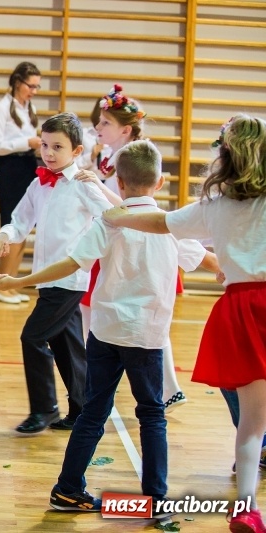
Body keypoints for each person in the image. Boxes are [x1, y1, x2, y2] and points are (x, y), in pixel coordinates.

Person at [0, 139, 216, 514]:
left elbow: (70, 263)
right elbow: (205, 258)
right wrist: (228, 270)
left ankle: (67, 489)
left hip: (106, 332)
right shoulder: (171, 225)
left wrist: (19, 281)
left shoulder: (110, 221)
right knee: (151, 415)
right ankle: (156, 498)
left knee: (94, 412)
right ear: (160, 182)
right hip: (145, 336)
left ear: (120, 184)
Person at [103, 114, 266, 533]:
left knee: (251, 424)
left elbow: (161, 222)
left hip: (241, 308)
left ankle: (246, 507)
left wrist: (118, 215)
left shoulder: (217, 205)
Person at [0, 112, 113, 433]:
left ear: (76, 151)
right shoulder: (38, 183)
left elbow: (111, 218)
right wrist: (4, 234)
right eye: (44, 145)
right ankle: (83, 408)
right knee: (66, 345)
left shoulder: (84, 184)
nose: (48, 152)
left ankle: (44, 408)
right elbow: (19, 221)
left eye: (57, 147)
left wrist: (90, 251)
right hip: (46, 278)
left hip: (69, 278)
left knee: (32, 337)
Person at [77, 85, 188, 414]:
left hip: (137, 241)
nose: (98, 127)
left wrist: (97, 186)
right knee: (100, 310)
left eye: (106, 123)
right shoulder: (109, 155)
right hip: (121, 238)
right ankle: (108, 383)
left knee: (145, 317)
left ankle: (164, 388)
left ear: (125, 129)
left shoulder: (134, 155)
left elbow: (129, 205)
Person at [0, 61, 41, 304]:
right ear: (18, 82)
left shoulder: (30, 108)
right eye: (31, 86)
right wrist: (26, 142)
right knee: (11, 224)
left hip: (28, 165)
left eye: (37, 87)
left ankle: (10, 283)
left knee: (24, 225)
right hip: (10, 168)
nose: (34, 91)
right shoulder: (1, 109)